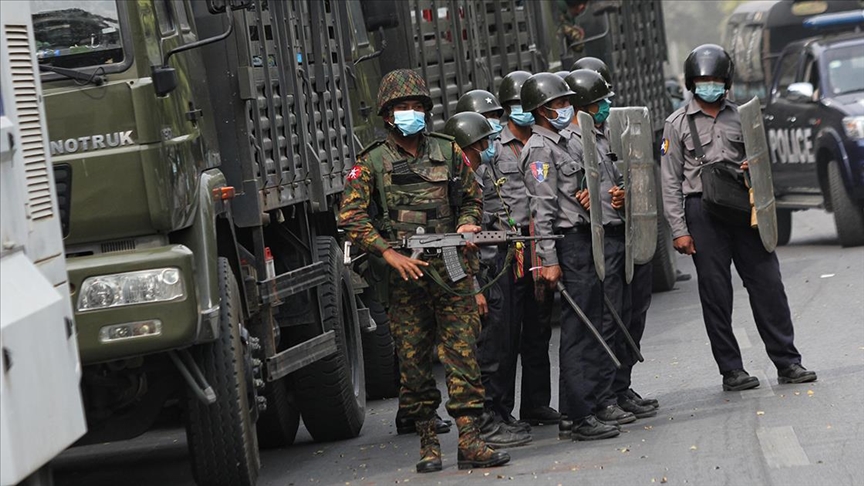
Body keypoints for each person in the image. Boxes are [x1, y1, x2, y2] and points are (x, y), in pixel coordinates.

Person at [339, 69, 510, 473]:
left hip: (451, 269)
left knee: (463, 355)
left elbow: (472, 197)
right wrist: (388, 254)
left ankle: (470, 440)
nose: (410, 113)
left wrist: (468, 224)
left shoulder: (448, 151)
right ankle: (429, 443)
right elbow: (350, 217)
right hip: (405, 277)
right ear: (387, 114)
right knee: (413, 364)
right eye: (402, 107)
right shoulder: (371, 163)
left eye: (417, 106)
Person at [660, 44, 817, 392]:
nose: (709, 85)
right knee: (716, 294)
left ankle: (788, 362)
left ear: (726, 81)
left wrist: (753, 167)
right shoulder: (675, 124)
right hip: (702, 212)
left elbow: (765, 161)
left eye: (715, 79)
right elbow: (669, 182)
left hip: (743, 208)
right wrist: (679, 231)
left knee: (768, 285)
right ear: (691, 82)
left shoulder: (745, 117)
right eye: (702, 80)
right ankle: (731, 369)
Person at [520, 72, 620, 441]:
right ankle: (576, 416)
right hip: (568, 243)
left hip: (585, 237)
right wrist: (548, 259)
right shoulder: (540, 150)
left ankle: (588, 406)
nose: (567, 108)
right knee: (578, 332)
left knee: (593, 322)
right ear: (542, 111)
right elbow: (541, 211)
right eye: (560, 104)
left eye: (567, 102)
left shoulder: (570, 141)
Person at [569, 58, 661, 416]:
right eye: (598, 99)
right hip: (600, 239)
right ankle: (604, 395)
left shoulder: (612, 130)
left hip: (627, 233)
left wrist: (623, 194)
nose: (606, 105)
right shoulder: (575, 140)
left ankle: (621, 386)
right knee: (609, 322)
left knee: (632, 315)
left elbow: (629, 179)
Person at [442, 111, 533, 448]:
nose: (489, 148)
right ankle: (482, 423)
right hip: (475, 278)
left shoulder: (475, 176)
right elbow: (448, 245)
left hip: (492, 271)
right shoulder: (455, 185)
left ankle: (496, 415)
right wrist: (470, 288)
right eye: (483, 143)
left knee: (500, 347)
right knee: (483, 356)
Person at [494, 70, 561, 428]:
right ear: (507, 108)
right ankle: (501, 411)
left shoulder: (548, 142)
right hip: (509, 245)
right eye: (516, 105)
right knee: (507, 333)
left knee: (539, 329)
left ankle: (536, 403)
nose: (523, 110)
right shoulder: (494, 146)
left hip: (538, 241)